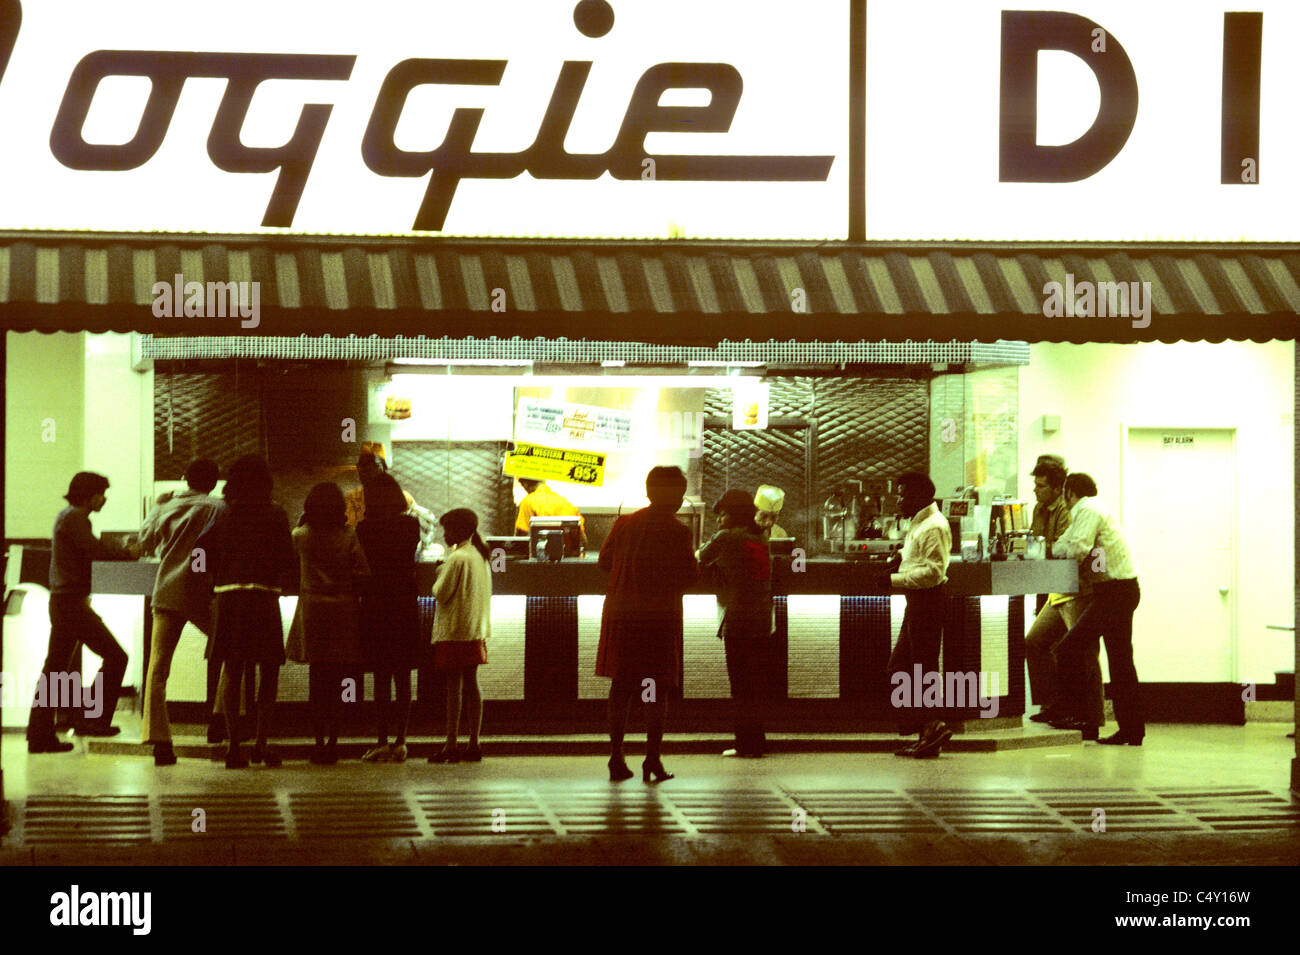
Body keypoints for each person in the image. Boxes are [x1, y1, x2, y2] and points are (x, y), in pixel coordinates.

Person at [596, 466, 699, 783]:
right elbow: (689, 577)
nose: (682, 499)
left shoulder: (624, 524)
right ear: (674, 496)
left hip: (623, 615)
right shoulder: (678, 532)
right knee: (654, 688)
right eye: (680, 493)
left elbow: (603, 562)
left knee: (622, 686)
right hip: (657, 620)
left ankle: (616, 756)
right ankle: (651, 759)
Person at [26, 472, 138, 753]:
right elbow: (94, 550)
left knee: (54, 669)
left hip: (66, 603)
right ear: (89, 494)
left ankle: (41, 734)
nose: (105, 498)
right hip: (71, 604)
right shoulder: (75, 518)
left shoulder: (70, 516)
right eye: (102, 493)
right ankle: (92, 721)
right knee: (115, 656)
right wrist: (129, 552)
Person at [198, 456, 296, 769]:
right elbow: (287, 558)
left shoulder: (223, 513)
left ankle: (234, 746)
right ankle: (261, 745)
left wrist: (212, 580)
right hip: (263, 598)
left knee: (233, 669)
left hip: (229, 598)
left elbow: (199, 553)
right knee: (268, 672)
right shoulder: (276, 513)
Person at [137, 458, 224, 765]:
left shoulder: (165, 507)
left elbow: (143, 541)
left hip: (168, 590)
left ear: (185, 478)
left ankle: (160, 740)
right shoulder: (218, 507)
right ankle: (219, 721)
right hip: (204, 592)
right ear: (214, 481)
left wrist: (155, 508)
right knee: (228, 651)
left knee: (158, 668)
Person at [1050, 473, 1144, 745]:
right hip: (1119, 590)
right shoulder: (1091, 510)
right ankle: (1132, 729)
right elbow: (1062, 543)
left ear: (1069, 492)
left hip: (1115, 592)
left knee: (1069, 648)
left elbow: (1076, 548)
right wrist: (1061, 549)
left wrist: (1061, 552)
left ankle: (1081, 717)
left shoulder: (1088, 510)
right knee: (1121, 662)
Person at [288, 482, 370, 765]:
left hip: (313, 611)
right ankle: (334, 742)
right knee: (338, 681)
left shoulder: (300, 535)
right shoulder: (349, 535)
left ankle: (318, 742)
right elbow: (363, 572)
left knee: (317, 680)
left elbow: (286, 564)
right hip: (343, 612)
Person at [1022, 455, 1102, 735]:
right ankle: (1052, 704)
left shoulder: (1073, 512)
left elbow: (1070, 550)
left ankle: (1089, 716)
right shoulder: (1038, 509)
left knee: (1082, 652)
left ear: (1060, 490)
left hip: (1077, 589)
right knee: (1034, 642)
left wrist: (1049, 549)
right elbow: (1042, 546)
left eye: (1041, 486)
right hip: (1056, 589)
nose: (1036, 490)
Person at [698, 489, 775, 758]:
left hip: (740, 619)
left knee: (740, 684)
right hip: (763, 619)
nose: (718, 520)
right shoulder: (761, 537)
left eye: (721, 514)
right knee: (754, 685)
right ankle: (757, 741)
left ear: (732, 515)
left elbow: (700, 557)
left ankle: (746, 745)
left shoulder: (727, 537)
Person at [885, 471, 953, 759]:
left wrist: (893, 581)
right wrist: (899, 559)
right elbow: (918, 557)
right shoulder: (920, 523)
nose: (899, 500)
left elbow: (934, 572)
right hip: (918, 602)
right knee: (905, 668)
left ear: (918, 496)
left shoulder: (933, 526)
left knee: (920, 670)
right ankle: (926, 729)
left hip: (928, 601)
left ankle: (933, 725)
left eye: (902, 494)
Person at [355, 473, 421, 763]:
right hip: (404, 605)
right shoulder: (411, 525)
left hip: (376, 605)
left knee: (381, 677)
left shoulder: (365, 528)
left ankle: (382, 741)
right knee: (403, 677)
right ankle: (401, 741)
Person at [427, 509, 492, 764]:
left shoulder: (456, 558)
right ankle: (474, 743)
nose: (444, 534)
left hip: (454, 631)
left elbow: (440, 593)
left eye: (447, 529)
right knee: (472, 685)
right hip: (474, 629)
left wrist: (439, 572)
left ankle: (451, 745)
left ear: (458, 530)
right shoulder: (480, 555)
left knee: (453, 689)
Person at [344, 442, 435, 549]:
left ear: (383, 468)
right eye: (362, 466)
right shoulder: (351, 498)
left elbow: (416, 536)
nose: (366, 470)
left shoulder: (404, 497)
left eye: (373, 465)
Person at [514, 477, 586, 548]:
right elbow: (583, 540)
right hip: (568, 554)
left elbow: (521, 536)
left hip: (542, 554)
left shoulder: (527, 501)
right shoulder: (564, 501)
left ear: (525, 484)